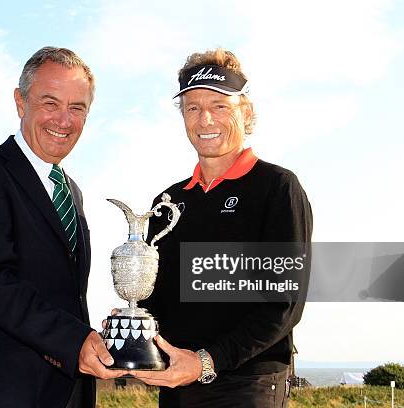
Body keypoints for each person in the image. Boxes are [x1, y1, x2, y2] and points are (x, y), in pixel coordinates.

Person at [0, 46, 125, 408]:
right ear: (21, 103)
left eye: (77, 108)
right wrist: (74, 341)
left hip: (66, 393)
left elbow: (66, 295)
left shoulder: (73, 192)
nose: (64, 120)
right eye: (50, 103)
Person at [134, 48, 313, 407]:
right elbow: (156, 297)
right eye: (193, 108)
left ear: (245, 113)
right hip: (176, 382)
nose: (205, 120)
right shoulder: (167, 202)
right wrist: (134, 325)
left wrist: (206, 362)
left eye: (219, 106)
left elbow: (283, 304)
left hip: (247, 383)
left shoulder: (277, 187)